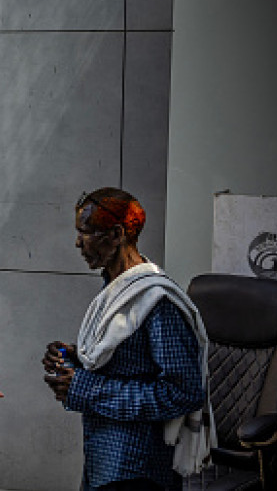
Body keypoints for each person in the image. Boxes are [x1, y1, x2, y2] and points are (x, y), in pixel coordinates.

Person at [43, 188, 213, 491]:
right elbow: (128, 362)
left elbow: (183, 392)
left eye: (87, 232)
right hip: (105, 461)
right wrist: (75, 359)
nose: (78, 242)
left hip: (137, 468)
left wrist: (84, 386)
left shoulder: (156, 301)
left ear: (117, 234)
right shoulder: (117, 290)